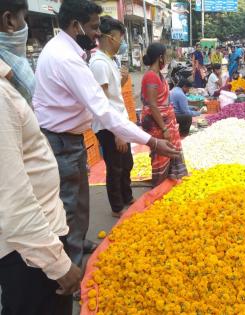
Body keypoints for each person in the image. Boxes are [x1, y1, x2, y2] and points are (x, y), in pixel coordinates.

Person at [33, 0, 179, 267]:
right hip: (62, 138)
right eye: (92, 28)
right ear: (74, 25)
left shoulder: (68, 52)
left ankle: (77, 242)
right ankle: (70, 267)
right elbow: (104, 109)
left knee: (79, 200)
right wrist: (152, 140)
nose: (96, 35)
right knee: (70, 204)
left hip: (68, 135)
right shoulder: (66, 59)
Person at [0, 1, 81, 314]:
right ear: (9, 21)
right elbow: (12, 198)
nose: (25, 29)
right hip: (28, 256)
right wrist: (58, 264)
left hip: (29, 246)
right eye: (24, 21)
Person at [89, 16, 134, 218]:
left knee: (127, 163)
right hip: (109, 126)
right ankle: (117, 207)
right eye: (119, 38)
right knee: (115, 167)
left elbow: (113, 93)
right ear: (109, 37)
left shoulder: (109, 60)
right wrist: (117, 133)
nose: (121, 42)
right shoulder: (98, 63)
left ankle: (127, 196)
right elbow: (103, 103)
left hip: (119, 121)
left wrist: (122, 80)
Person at [141, 43, 189, 186]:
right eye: (166, 56)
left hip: (165, 119)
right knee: (161, 154)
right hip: (157, 122)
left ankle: (167, 183)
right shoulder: (151, 76)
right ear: (160, 57)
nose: (167, 59)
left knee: (167, 151)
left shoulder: (157, 75)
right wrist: (165, 128)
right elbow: (153, 105)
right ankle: (160, 185)